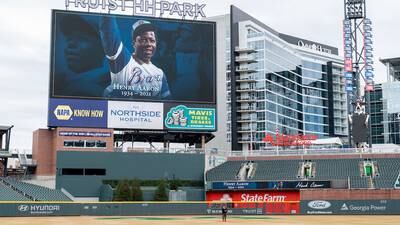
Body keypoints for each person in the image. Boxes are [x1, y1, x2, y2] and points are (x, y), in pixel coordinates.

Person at [99, 17, 170, 99]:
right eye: (143, 40)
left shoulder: (159, 73)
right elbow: (109, 32)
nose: (149, 44)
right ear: (134, 43)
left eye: (152, 40)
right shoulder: (124, 61)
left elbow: (168, 104)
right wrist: (108, 9)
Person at [55, 15, 110, 97]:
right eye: (69, 39)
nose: (70, 44)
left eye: (82, 39)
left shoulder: (108, 88)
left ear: (104, 49)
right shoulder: (60, 83)